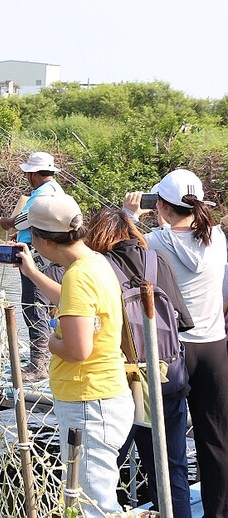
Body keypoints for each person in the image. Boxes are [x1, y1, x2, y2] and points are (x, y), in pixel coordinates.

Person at [16, 194, 134, 518]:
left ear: (41, 239)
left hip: (89, 404)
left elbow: (77, 350)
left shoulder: (78, 276)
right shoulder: (93, 262)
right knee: (91, 498)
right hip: (101, 398)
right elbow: (74, 302)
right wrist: (32, 273)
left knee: (94, 506)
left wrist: (52, 339)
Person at [125, 168, 228, 518]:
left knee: (167, 447)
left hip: (171, 352)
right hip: (215, 348)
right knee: (216, 442)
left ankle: (176, 513)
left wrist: (129, 216)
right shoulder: (217, 238)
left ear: (162, 206)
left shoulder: (154, 242)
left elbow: (114, 251)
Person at [84, 208, 194, 518]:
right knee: (172, 471)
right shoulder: (156, 260)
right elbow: (183, 322)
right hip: (166, 376)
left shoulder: (97, 268)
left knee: (101, 471)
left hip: (119, 382)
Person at [0, 151, 66, 381]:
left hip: (40, 260)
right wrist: (18, 233)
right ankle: (46, 358)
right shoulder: (57, 191)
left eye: (27, 174)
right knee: (45, 307)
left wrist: (8, 222)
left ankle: (38, 366)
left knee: (34, 308)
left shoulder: (43, 194)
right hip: (50, 256)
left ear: (33, 174)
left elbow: (27, 219)